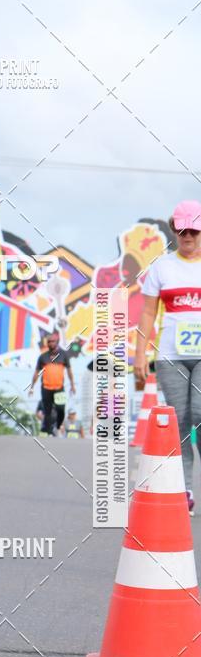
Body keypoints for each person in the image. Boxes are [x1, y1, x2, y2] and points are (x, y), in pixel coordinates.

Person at [136, 199, 201, 516]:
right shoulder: (161, 267)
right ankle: (185, 489)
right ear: (174, 229)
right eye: (182, 230)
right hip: (171, 356)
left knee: (200, 415)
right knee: (181, 423)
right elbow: (148, 312)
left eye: (194, 230)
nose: (187, 236)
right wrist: (140, 353)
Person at [28, 331, 75, 436]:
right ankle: (48, 432)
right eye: (49, 342)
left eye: (53, 341)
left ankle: (58, 427)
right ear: (47, 343)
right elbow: (36, 373)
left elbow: (69, 371)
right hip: (46, 388)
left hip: (59, 388)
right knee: (47, 411)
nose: (51, 343)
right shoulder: (42, 357)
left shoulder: (63, 355)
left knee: (61, 408)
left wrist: (72, 385)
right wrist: (32, 387)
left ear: (57, 342)